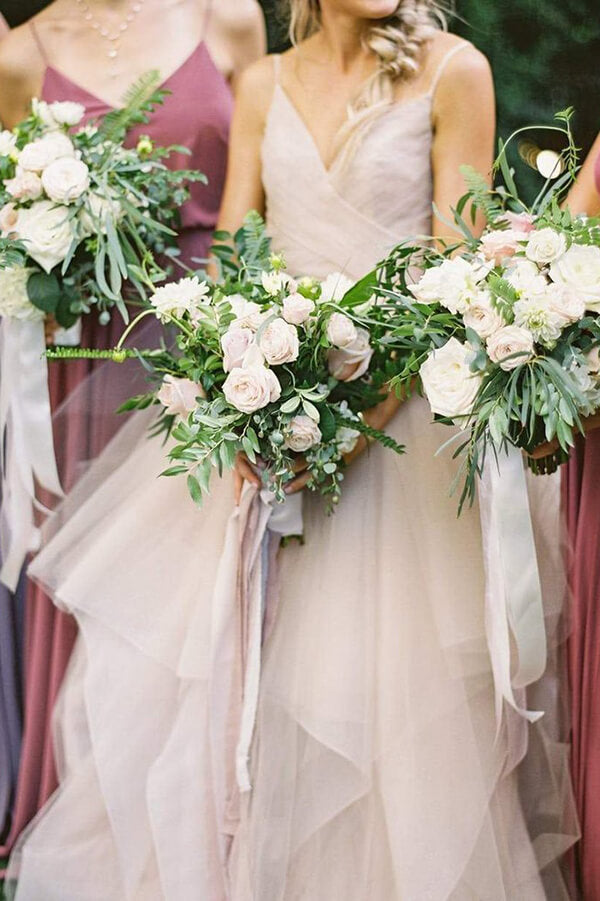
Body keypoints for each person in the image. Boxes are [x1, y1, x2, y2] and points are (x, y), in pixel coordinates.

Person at [6, 1, 574, 897]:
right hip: (268, 412)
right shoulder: (263, 81)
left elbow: (458, 272)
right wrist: (240, 387)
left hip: (403, 428)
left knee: (384, 701)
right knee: (222, 685)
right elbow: (233, 254)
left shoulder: (454, 69)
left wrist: (350, 425)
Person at [0, 0, 266, 856]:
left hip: (214, 346)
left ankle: (211, 791)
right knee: (93, 582)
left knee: (196, 591)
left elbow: (266, 195)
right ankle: (85, 798)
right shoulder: (20, 54)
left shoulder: (230, 17)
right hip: (85, 353)